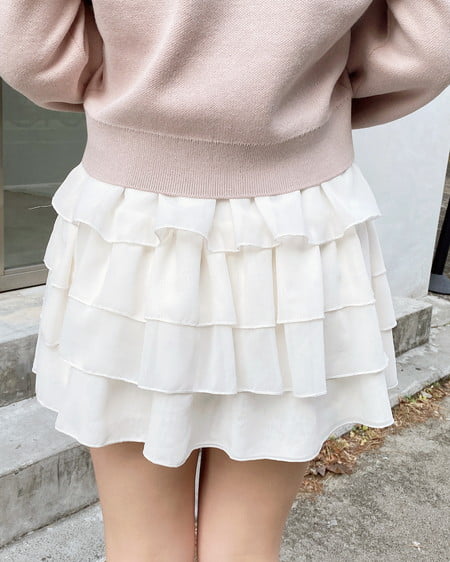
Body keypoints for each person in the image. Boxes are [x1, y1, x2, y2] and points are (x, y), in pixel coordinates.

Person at [1, 1, 449, 561]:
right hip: (298, 219)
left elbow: (30, 50)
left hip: (133, 217)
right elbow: (430, 44)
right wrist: (301, 80)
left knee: (141, 542)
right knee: (246, 544)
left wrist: (137, 84)